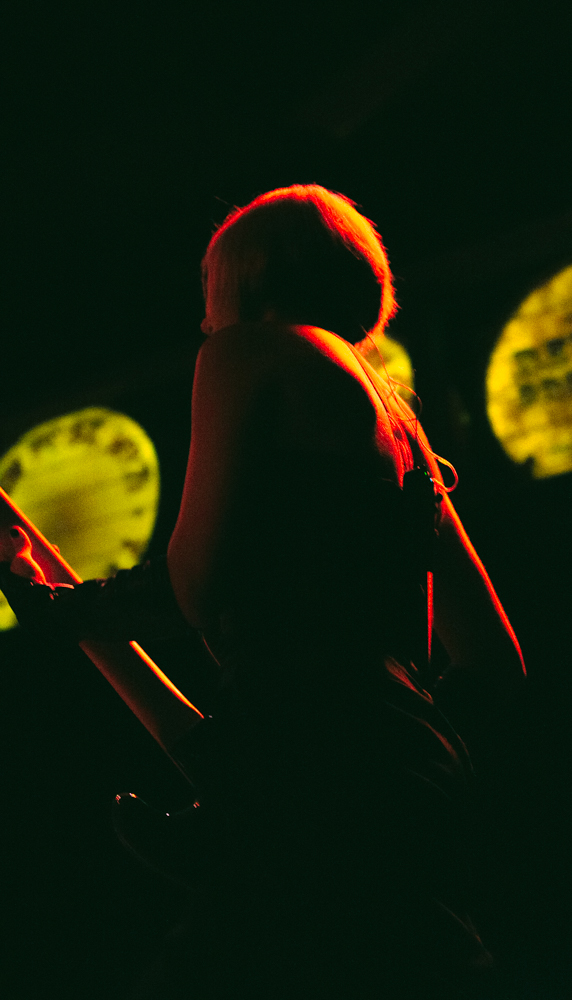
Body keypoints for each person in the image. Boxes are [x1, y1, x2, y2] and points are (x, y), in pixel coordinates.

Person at [0, 185, 525, 999]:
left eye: (210, 285)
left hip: (306, 787)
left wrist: (65, 609)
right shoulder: (402, 429)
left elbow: (195, 587)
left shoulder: (247, 354)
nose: (203, 319)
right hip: (408, 777)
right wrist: (372, 756)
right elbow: (493, 661)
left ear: (244, 278)